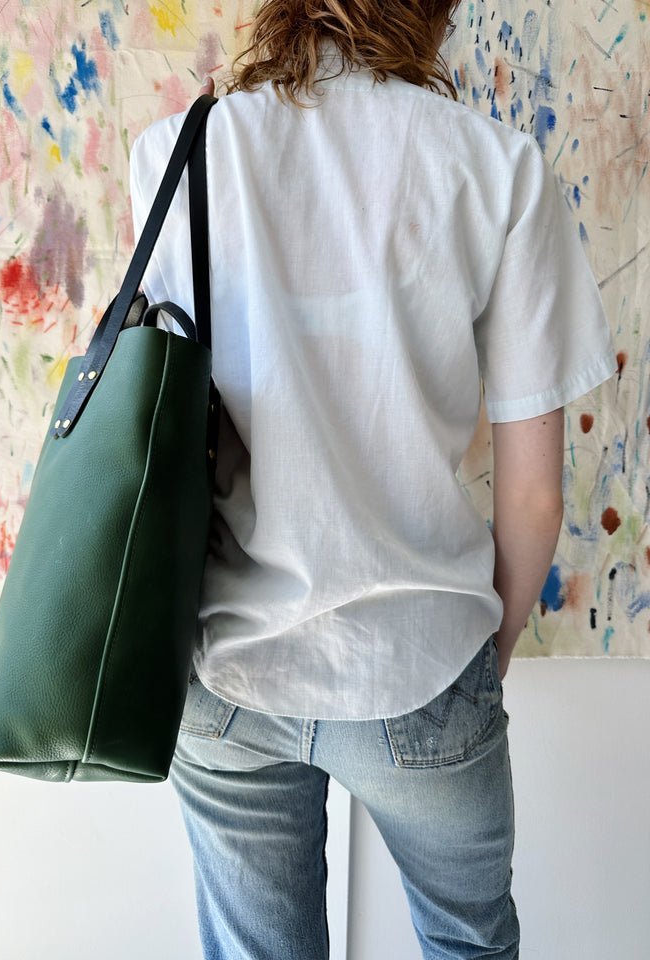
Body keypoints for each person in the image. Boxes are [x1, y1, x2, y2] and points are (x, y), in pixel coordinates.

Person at [128, 1, 617, 957]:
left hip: (228, 668)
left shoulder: (179, 155)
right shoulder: (497, 168)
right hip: (422, 660)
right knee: (470, 943)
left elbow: (160, 420)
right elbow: (533, 498)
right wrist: (483, 658)